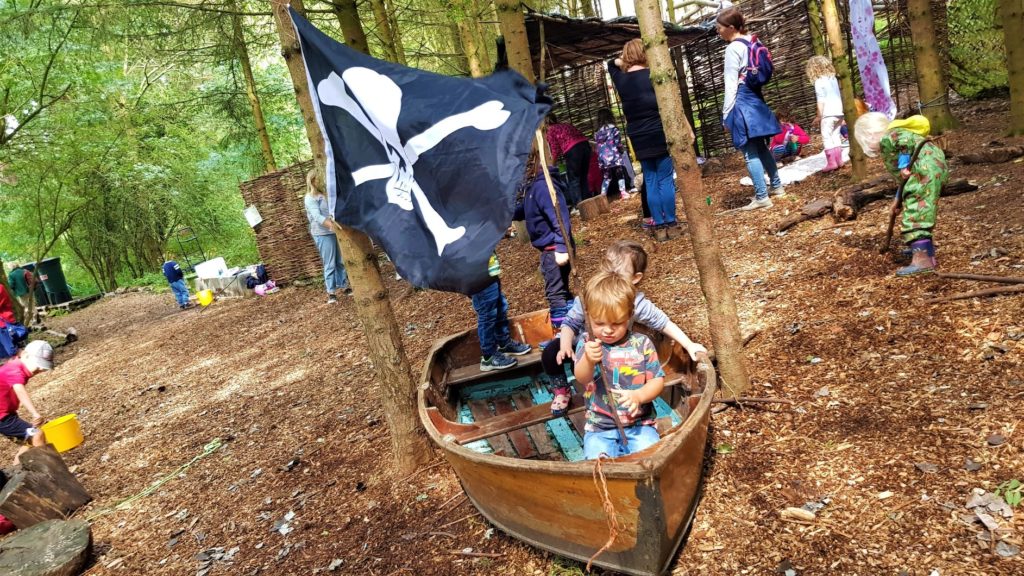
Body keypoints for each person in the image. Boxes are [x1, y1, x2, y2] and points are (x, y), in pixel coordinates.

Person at [541, 240, 706, 416]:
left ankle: (624, 392)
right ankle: (561, 390)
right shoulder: (592, 294)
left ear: (636, 278)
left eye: (619, 273)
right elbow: (570, 322)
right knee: (551, 354)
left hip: (615, 349)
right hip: (584, 344)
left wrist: (688, 345)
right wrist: (565, 345)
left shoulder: (636, 302)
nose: (612, 276)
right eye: (607, 270)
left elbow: (662, 322)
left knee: (624, 367)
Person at [574, 271, 665, 460]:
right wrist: (588, 360)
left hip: (640, 424)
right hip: (599, 427)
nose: (608, 330)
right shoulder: (588, 343)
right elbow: (582, 378)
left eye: (617, 323)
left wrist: (639, 395)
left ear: (630, 316)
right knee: (598, 464)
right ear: (588, 316)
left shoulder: (642, 343)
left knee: (651, 458)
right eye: (599, 323)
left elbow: (657, 380)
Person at [854, 112, 948, 276]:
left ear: (870, 134)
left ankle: (922, 261)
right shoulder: (894, 140)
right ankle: (926, 253)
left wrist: (904, 165)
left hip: (923, 170)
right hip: (931, 168)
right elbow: (903, 181)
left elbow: (904, 146)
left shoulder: (892, 136)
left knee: (916, 213)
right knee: (921, 207)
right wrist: (897, 200)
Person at [608, 40, 681, 241]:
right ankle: (672, 224)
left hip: (638, 135)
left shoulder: (621, 80)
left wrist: (624, 59)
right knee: (665, 178)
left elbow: (610, 63)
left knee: (650, 179)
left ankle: (658, 226)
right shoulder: (654, 75)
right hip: (659, 131)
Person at [717, 8, 784, 211]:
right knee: (761, 146)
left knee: (749, 150)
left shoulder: (732, 49)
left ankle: (762, 196)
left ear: (730, 27)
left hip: (741, 101)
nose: (718, 32)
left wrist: (726, 113)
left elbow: (731, 83)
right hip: (755, 98)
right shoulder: (754, 41)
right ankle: (777, 186)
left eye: (719, 28)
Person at [516, 151, 575, 331]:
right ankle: (573, 325)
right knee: (562, 289)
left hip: (554, 249)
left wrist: (562, 247)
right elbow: (527, 209)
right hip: (551, 248)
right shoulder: (532, 187)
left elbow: (560, 216)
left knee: (555, 292)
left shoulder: (542, 187)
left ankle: (562, 334)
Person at [471, 254, 532, 372]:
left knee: (500, 307)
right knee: (487, 315)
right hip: (477, 278)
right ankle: (488, 357)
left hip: (489, 274)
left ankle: (504, 343)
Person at [0, 340, 52, 464]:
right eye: (38, 364)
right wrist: (35, 413)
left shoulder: (17, 367)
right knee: (37, 434)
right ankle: (49, 472)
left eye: (43, 367)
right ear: (26, 355)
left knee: (28, 441)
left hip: (7, 414)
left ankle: (16, 473)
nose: (40, 369)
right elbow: (19, 389)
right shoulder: (14, 369)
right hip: (3, 418)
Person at [304, 170, 351, 304]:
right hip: (322, 233)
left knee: (339, 261)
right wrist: (332, 226)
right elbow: (317, 216)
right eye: (319, 179)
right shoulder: (310, 198)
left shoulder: (325, 194)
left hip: (334, 231)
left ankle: (344, 285)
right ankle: (331, 292)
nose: (322, 181)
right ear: (313, 181)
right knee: (329, 263)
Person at [806, 55, 846, 172]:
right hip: (839, 112)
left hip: (828, 113)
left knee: (827, 137)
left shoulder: (819, 82)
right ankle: (839, 160)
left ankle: (831, 162)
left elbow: (821, 100)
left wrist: (819, 116)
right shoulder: (833, 79)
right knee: (835, 135)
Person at [545, 113, 592, 210]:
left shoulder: (551, 130)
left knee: (573, 179)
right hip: (585, 146)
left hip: (573, 151)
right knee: (583, 176)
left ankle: (579, 205)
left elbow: (555, 149)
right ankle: (588, 201)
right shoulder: (565, 125)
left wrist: (551, 165)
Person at [593, 108, 634, 199]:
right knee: (619, 173)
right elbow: (617, 143)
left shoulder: (597, 133)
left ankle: (603, 195)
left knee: (607, 177)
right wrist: (621, 150)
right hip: (614, 156)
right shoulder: (614, 129)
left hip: (603, 158)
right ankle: (623, 192)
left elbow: (598, 146)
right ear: (610, 116)